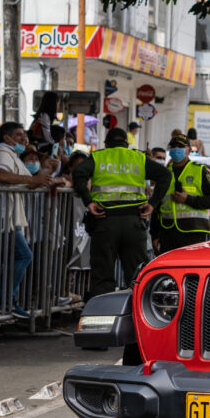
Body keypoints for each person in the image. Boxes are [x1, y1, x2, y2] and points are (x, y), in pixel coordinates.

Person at [70, 127, 171, 298]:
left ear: (107, 143)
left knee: (102, 274)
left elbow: (79, 172)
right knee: (137, 275)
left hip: (105, 221)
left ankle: (103, 317)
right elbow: (165, 175)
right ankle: (136, 316)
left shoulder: (99, 156)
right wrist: (152, 204)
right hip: (134, 221)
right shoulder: (138, 158)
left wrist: (89, 202)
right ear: (126, 143)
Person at [0, 121, 54, 319]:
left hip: (5, 217)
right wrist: (33, 181)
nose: (24, 139)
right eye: (19, 135)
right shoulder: (2, 152)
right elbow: (2, 175)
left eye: (24, 135)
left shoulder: (11, 154)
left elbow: (30, 180)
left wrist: (50, 180)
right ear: (7, 138)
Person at [156, 135, 210, 253]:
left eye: (180, 146)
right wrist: (155, 234)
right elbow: (157, 205)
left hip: (194, 231)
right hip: (167, 231)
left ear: (188, 150)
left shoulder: (200, 170)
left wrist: (188, 199)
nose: (176, 149)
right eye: (173, 146)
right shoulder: (164, 173)